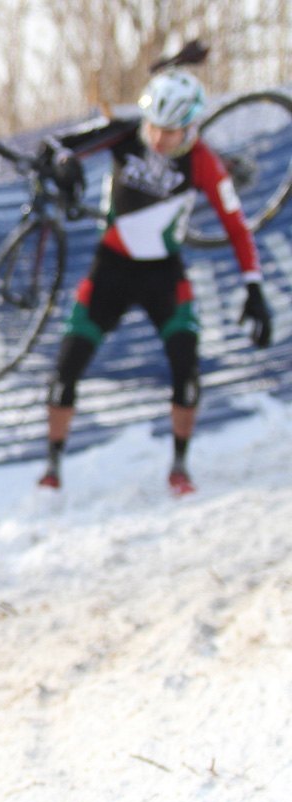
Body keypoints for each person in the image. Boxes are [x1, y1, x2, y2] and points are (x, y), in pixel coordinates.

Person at [37, 69, 273, 494]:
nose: (159, 139)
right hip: (109, 269)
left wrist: (253, 286)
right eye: (154, 127)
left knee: (187, 370)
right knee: (65, 367)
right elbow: (56, 146)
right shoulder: (125, 134)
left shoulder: (203, 162)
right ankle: (52, 469)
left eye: (170, 132)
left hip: (164, 275)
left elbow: (237, 227)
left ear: (191, 127)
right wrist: (62, 164)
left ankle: (180, 467)